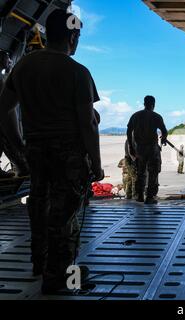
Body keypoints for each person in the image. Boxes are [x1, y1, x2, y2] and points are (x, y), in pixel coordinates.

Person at [0, 10, 104, 294]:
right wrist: (96, 164)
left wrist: (19, 146)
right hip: (68, 154)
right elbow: (87, 123)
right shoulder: (78, 72)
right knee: (65, 215)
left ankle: (40, 263)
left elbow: (4, 108)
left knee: (39, 206)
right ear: (72, 36)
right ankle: (59, 277)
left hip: (36, 150)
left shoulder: (22, 67)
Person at [127, 96, 168, 205]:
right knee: (153, 172)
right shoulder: (156, 116)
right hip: (152, 148)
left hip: (139, 148)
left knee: (140, 172)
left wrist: (131, 146)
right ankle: (149, 197)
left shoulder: (135, 116)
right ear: (153, 104)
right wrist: (163, 139)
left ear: (144, 103)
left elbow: (128, 131)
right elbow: (164, 131)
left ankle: (140, 196)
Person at [0, 50, 28, 179]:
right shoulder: (2, 82)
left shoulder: (3, 79)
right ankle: (23, 167)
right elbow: (6, 112)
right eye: (7, 58)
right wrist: (18, 143)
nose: (10, 61)